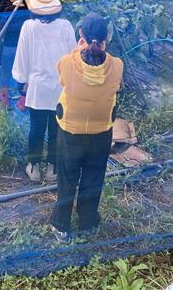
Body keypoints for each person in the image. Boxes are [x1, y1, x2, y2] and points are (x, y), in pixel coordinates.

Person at [50, 13, 123, 243]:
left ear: (80, 35)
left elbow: (64, 76)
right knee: (93, 178)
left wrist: (77, 50)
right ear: (106, 39)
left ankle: (62, 226)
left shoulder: (67, 63)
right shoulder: (117, 66)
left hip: (70, 131)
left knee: (67, 179)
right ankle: (88, 222)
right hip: (101, 133)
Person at [12, 0, 76, 184]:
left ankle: (33, 166)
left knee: (36, 129)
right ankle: (53, 168)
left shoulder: (29, 27)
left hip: (37, 88)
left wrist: (21, 84)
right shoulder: (65, 26)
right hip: (60, 88)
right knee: (56, 129)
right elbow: (73, 58)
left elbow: (22, 60)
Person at [0, 0, 28, 108]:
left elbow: (1, 31)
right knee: (24, 73)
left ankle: (4, 99)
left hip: (10, 46)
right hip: (25, 49)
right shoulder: (29, 10)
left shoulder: (9, 11)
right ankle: (23, 99)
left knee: (6, 73)